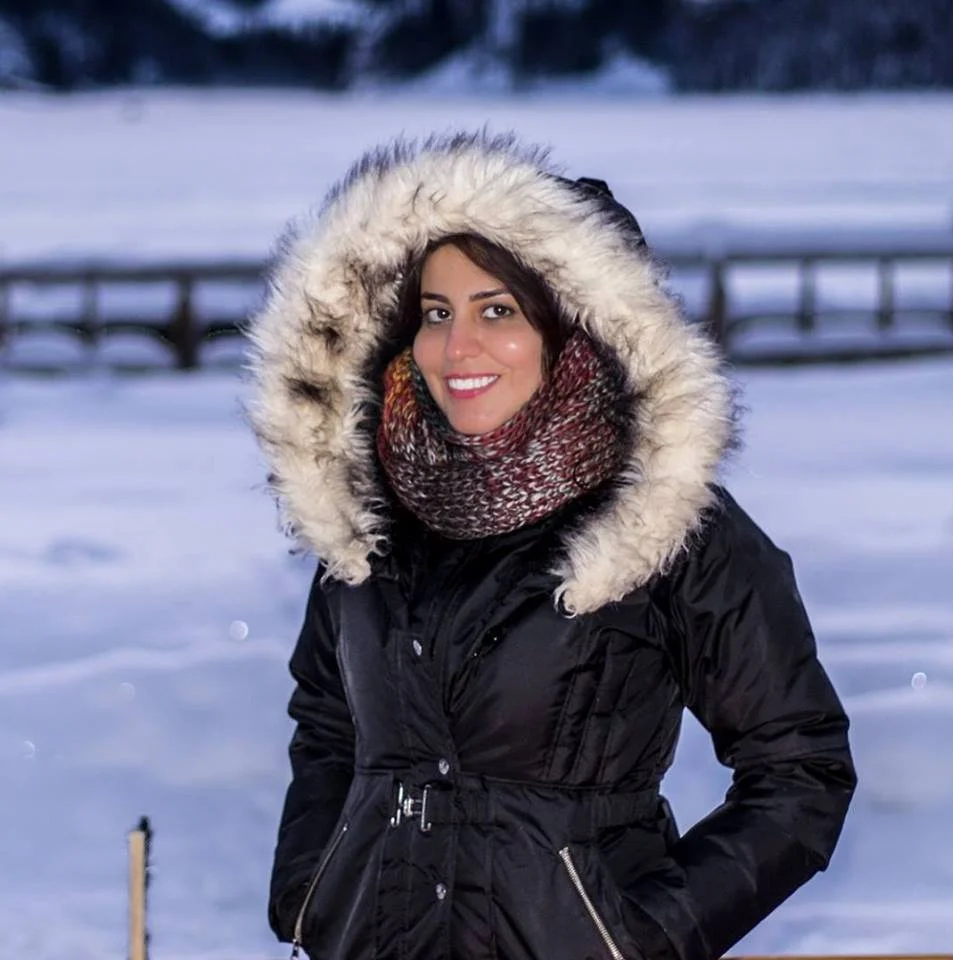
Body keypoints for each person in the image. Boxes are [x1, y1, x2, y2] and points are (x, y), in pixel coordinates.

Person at [246, 131, 856, 960]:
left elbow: (800, 771)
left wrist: (638, 937)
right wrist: (314, 889)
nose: (457, 347)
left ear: (581, 327)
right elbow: (327, 718)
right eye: (436, 313)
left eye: (498, 310)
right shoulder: (370, 512)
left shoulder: (665, 523)